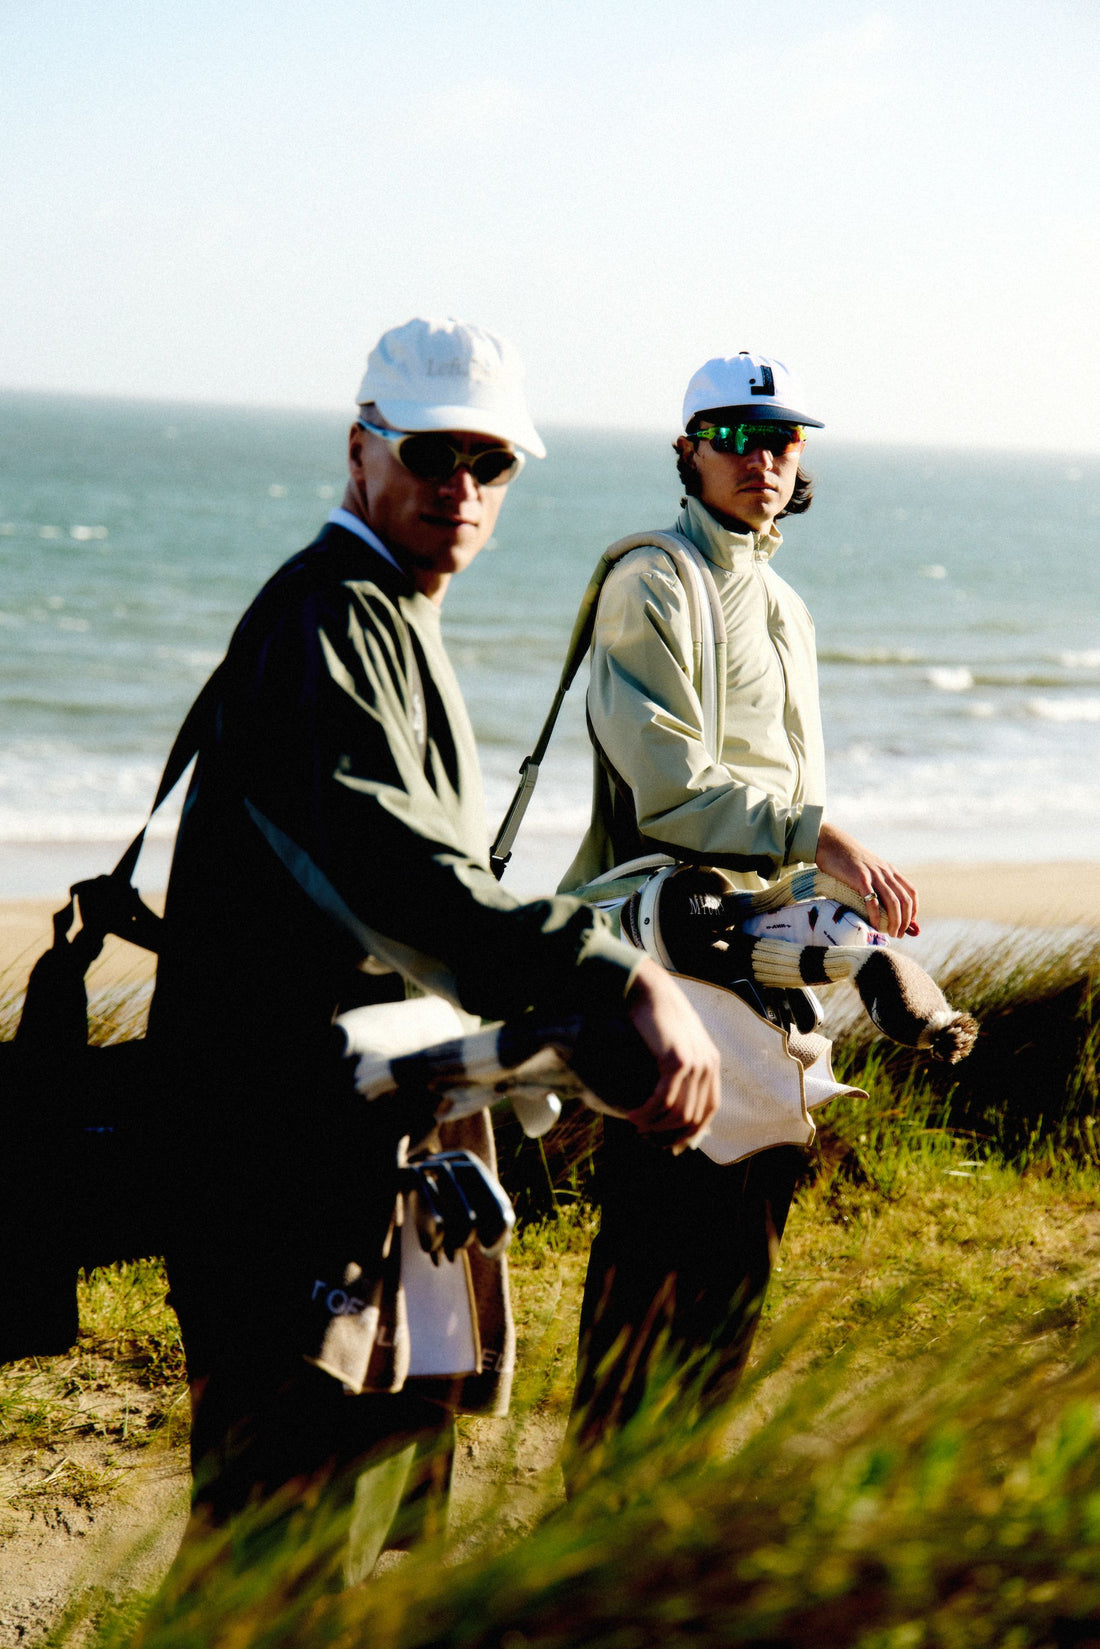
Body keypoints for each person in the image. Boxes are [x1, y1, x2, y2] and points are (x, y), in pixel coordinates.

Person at [145, 317, 718, 1588]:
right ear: (361, 451)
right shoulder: (334, 616)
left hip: (330, 1134)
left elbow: (404, 907)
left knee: (315, 1527)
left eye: (490, 463)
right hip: (266, 1152)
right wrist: (617, 970)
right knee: (269, 1541)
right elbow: (398, 873)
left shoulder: (384, 611)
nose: (459, 487)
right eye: (430, 453)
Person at [561, 349, 918, 1482]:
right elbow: (665, 782)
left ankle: (664, 1529)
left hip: (766, 969)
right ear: (686, 451)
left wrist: (821, 886)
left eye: (780, 440)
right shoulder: (653, 581)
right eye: (732, 437)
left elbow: (770, 781)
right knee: (652, 1248)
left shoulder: (781, 601)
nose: (760, 459)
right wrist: (824, 834)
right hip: (672, 955)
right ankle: (591, 1537)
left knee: (737, 1257)